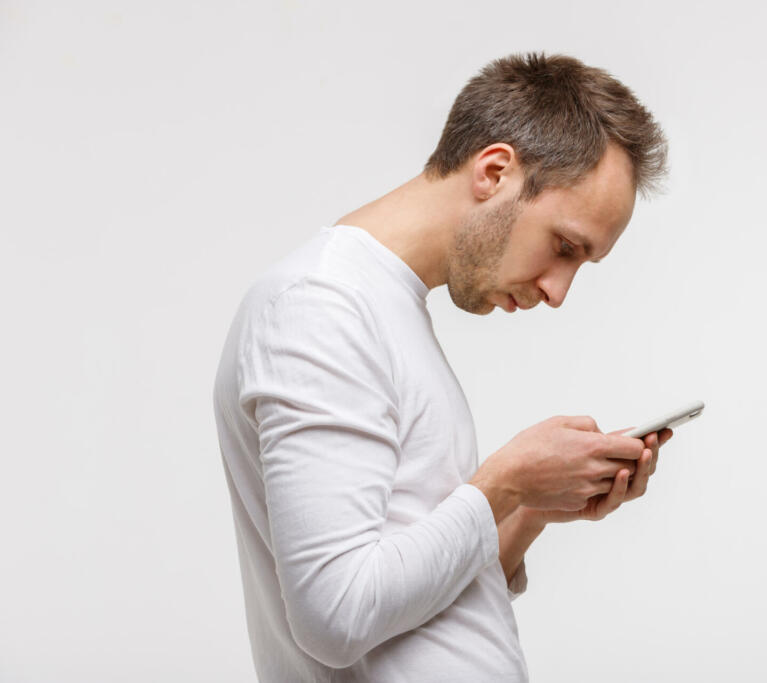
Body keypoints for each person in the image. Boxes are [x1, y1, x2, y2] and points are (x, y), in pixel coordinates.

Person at [212, 51, 675, 682]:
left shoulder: (380, 307)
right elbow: (336, 616)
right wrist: (505, 484)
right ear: (494, 172)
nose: (559, 290)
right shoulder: (321, 309)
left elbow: (413, 613)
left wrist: (531, 509)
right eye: (565, 246)